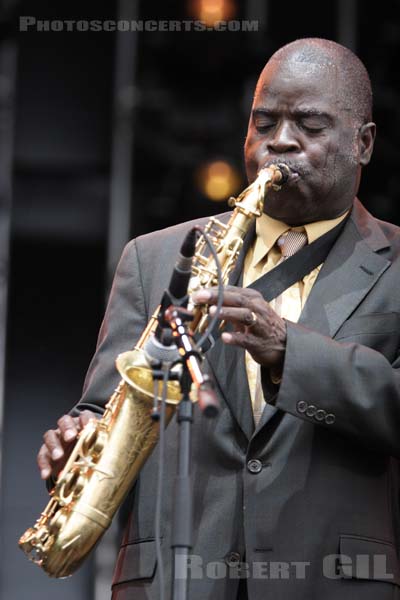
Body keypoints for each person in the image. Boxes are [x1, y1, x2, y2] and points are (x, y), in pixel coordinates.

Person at [37, 38, 400, 600]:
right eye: (264, 122)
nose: (280, 142)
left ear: (364, 143)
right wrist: (79, 439)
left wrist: (288, 351)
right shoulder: (153, 257)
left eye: (309, 124)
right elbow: (103, 405)